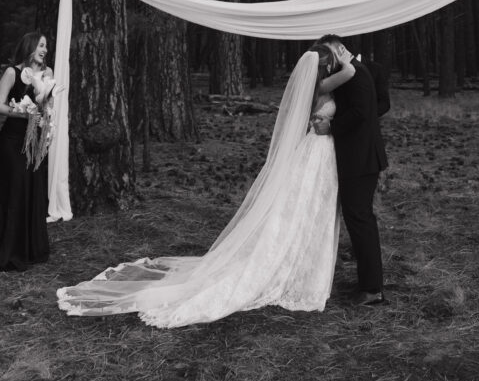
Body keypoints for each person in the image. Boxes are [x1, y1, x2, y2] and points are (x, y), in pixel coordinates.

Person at [57, 48, 353, 326]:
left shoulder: (316, 87)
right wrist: (346, 58)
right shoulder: (323, 86)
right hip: (316, 152)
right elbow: (351, 71)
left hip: (315, 151)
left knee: (305, 209)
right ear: (324, 66)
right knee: (308, 208)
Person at [313, 34, 388, 306]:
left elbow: (361, 113)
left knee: (360, 219)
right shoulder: (349, 73)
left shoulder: (357, 74)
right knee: (359, 219)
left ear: (341, 48)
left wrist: (331, 127)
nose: (328, 60)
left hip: (361, 159)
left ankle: (372, 289)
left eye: (330, 53)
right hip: (359, 158)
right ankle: (369, 284)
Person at [0, 31, 51, 271]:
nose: (44, 50)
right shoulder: (13, 72)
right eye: (41, 45)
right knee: (15, 191)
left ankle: (31, 248)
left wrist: (45, 112)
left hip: (34, 142)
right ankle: (10, 250)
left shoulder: (47, 74)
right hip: (12, 141)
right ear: (30, 46)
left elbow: (48, 105)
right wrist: (22, 112)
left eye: (46, 46)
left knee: (33, 189)